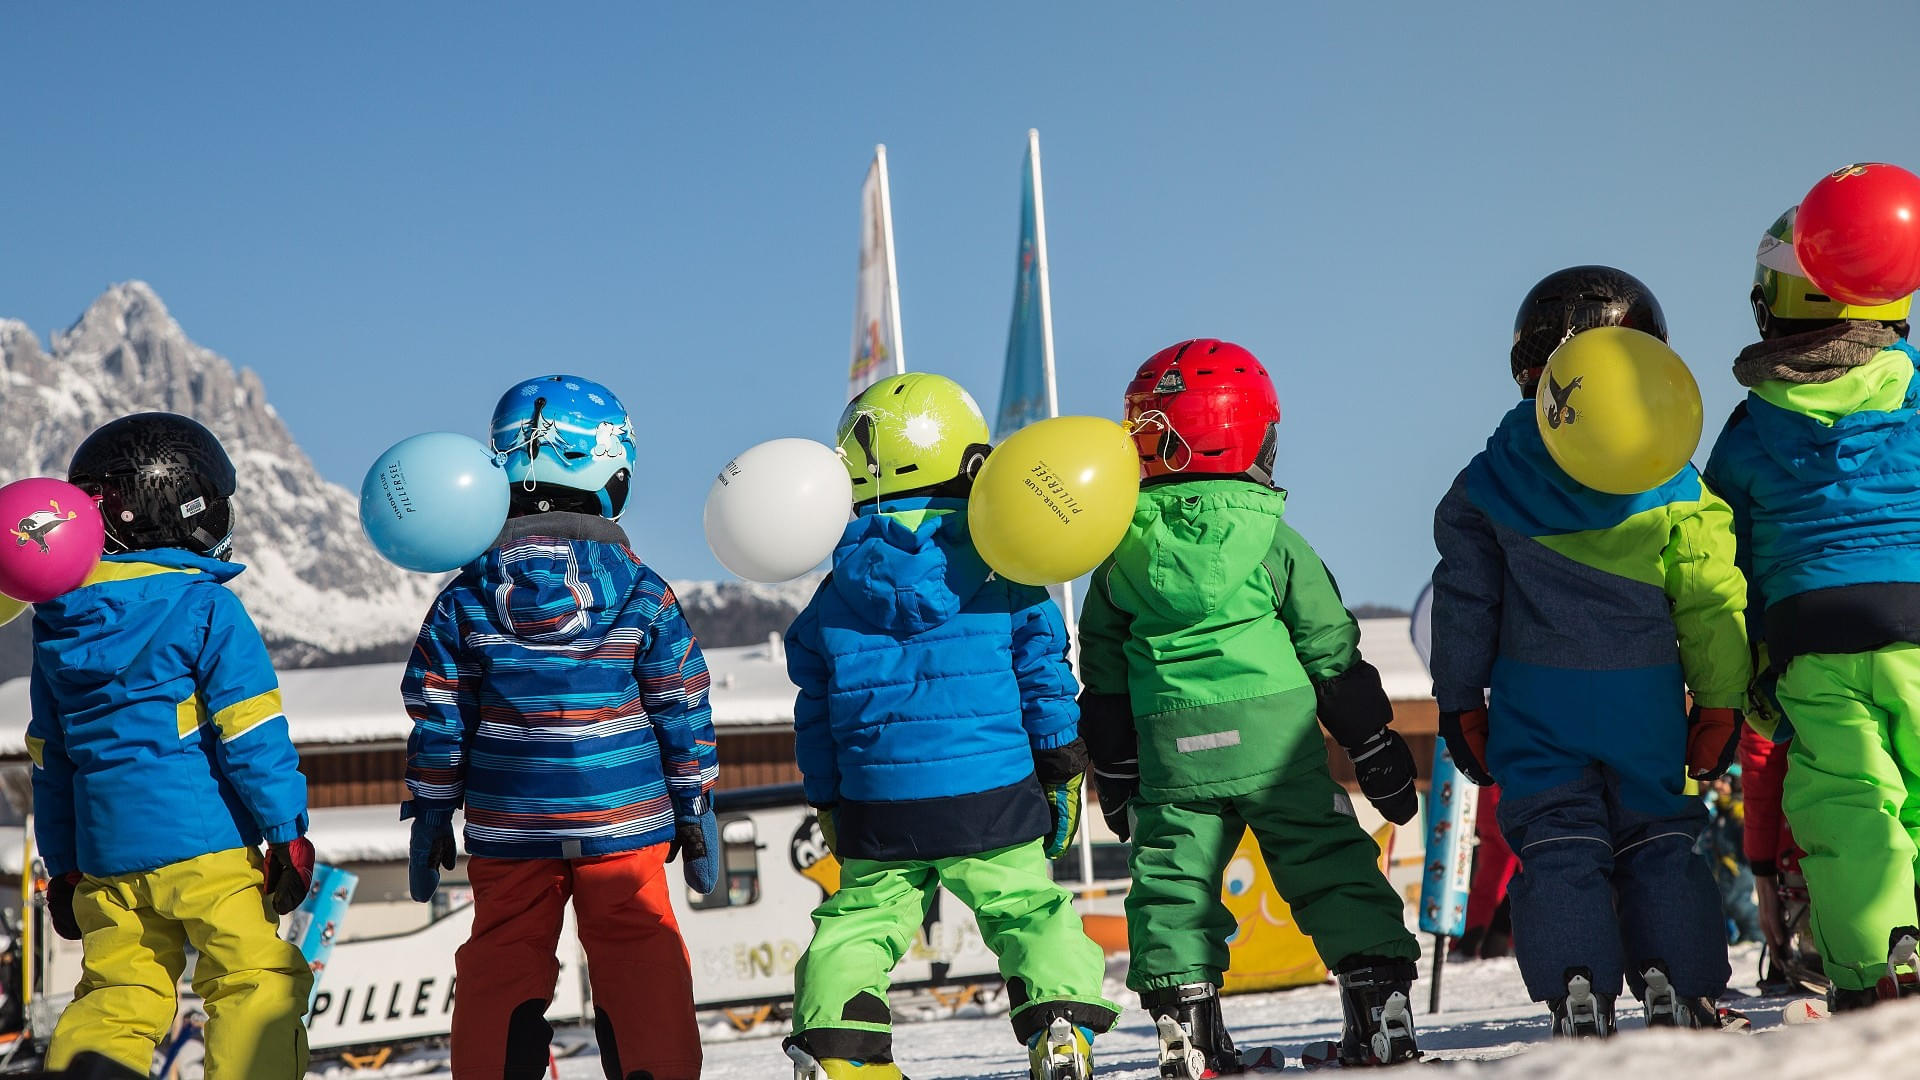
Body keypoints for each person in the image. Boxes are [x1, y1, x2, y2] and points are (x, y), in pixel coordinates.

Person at [1079, 340, 1423, 1074]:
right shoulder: (1274, 537)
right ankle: (1379, 1006)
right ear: (1245, 434)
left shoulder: (1115, 553)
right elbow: (1330, 647)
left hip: (1173, 746)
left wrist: (1115, 771)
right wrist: (1372, 743)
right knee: (1328, 860)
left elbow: (1103, 679)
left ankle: (1184, 1025)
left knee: (1171, 880)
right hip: (1278, 741)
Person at [1431, 267, 1752, 1036]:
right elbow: (1710, 600)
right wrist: (1719, 699)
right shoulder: (1675, 483)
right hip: (1643, 695)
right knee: (1658, 834)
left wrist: (1456, 702)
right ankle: (1681, 980)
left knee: (1556, 839)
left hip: (1535, 702)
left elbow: (1465, 603)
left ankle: (1576, 981)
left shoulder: (1487, 481)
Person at [782, 373, 1117, 1080]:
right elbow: (1044, 673)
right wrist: (1059, 765)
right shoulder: (1006, 569)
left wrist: (830, 800)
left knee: (863, 920)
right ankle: (1059, 1023)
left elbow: (812, 711)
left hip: (879, 797)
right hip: (990, 785)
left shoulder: (831, 594)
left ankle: (839, 1047)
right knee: (1027, 910)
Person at [401, 375, 719, 1080]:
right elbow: (680, 701)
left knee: (503, 955)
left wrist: (430, 808)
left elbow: (438, 713)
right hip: (623, 817)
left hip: (509, 820)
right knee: (639, 946)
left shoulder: (464, 599)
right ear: (614, 476)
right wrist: (694, 805)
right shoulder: (642, 590)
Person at [27, 413, 315, 1079]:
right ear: (182, 508)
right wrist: (285, 830)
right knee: (255, 983)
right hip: (205, 845)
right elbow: (249, 731)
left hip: (105, 857)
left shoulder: (57, 629)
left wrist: (64, 864)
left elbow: (52, 760)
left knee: (118, 996)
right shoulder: (205, 607)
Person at [1702, 207, 1920, 1011]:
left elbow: (1728, 553)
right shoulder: (1915, 383)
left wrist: (1751, 660)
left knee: (1847, 798)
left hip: (1812, 629)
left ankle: (1876, 963)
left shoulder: (1750, 425)